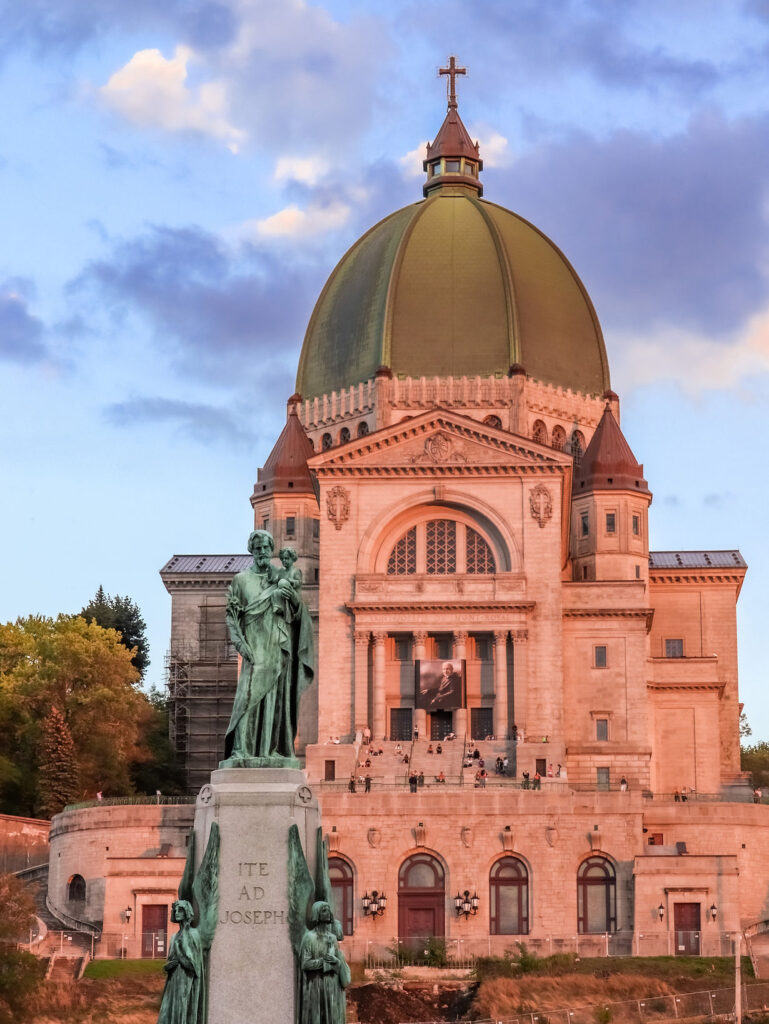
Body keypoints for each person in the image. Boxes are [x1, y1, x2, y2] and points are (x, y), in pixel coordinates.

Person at [223, 530, 314, 763]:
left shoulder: (282, 575)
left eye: (266, 547)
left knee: (275, 698)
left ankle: (270, 749)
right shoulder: (241, 580)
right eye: (258, 548)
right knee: (247, 697)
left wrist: (293, 599)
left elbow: (298, 613)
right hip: (253, 647)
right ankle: (240, 750)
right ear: (251, 550)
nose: (262, 551)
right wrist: (240, 645)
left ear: (271, 549)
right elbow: (232, 617)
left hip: (277, 645)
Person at [298, 901, 351, 1024]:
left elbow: (337, 961)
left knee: (332, 1018)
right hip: (316, 985)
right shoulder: (309, 937)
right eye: (324, 910)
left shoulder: (333, 938)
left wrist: (336, 962)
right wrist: (324, 963)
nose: (328, 913)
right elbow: (305, 964)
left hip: (332, 985)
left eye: (328, 910)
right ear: (316, 914)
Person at [157, 900, 204, 1024]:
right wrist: (167, 967)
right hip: (173, 981)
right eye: (175, 910)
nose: (177, 912)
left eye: (181, 910)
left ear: (187, 912)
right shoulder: (174, 937)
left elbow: (195, 966)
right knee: (169, 1011)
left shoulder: (193, 934)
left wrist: (180, 956)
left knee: (181, 1010)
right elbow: (170, 961)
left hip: (186, 980)